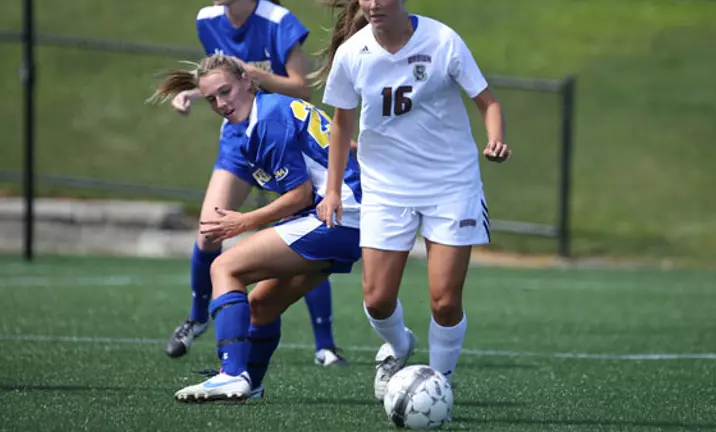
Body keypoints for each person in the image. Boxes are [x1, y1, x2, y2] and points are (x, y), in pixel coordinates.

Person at [314, 0, 511, 401]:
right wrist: (332, 189)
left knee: (444, 300)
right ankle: (399, 346)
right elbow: (341, 123)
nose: (372, 5)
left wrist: (496, 138)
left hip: (451, 184)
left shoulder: (442, 40)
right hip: (387, 187)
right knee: (377, 298)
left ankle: (439, 384)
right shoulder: (353, 52)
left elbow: (488, 102)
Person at [149, 53, 362, 401]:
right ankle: (252, 382)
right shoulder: (265, 114)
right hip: (346, 219)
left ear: (249, 81)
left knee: (224, 266)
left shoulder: (268, 120)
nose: (220, 103)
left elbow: (299, 194)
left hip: (337, 216)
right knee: (262, 305)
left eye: (226, 91)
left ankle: (230, 373)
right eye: (213, 98)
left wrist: (243, 222)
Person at [165, 0, 348, 367]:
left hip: (278, 134)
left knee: (301, 232)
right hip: (240, 138)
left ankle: (324, 345)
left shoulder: (278, 22)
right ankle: (200, 317)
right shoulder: (208, 20)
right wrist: (193, 93)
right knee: (209, 231)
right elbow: (222, 84)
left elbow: (300, 89)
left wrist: (253, 75)